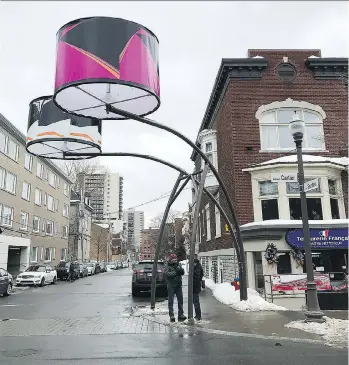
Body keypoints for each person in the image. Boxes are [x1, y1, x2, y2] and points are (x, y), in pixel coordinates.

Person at [165, 253, 186, 323]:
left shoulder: (178, 265)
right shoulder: (167, 265)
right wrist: (176, 273)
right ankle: (171, 315)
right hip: (171, 286)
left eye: (175, 259)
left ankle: (181, 314)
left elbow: (182, 272)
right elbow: (167, 274)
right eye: (173, 259)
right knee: (171, 301)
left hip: (178, 285)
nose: (175, 260)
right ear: (170, 260)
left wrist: (179, 270)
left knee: (180, 300)